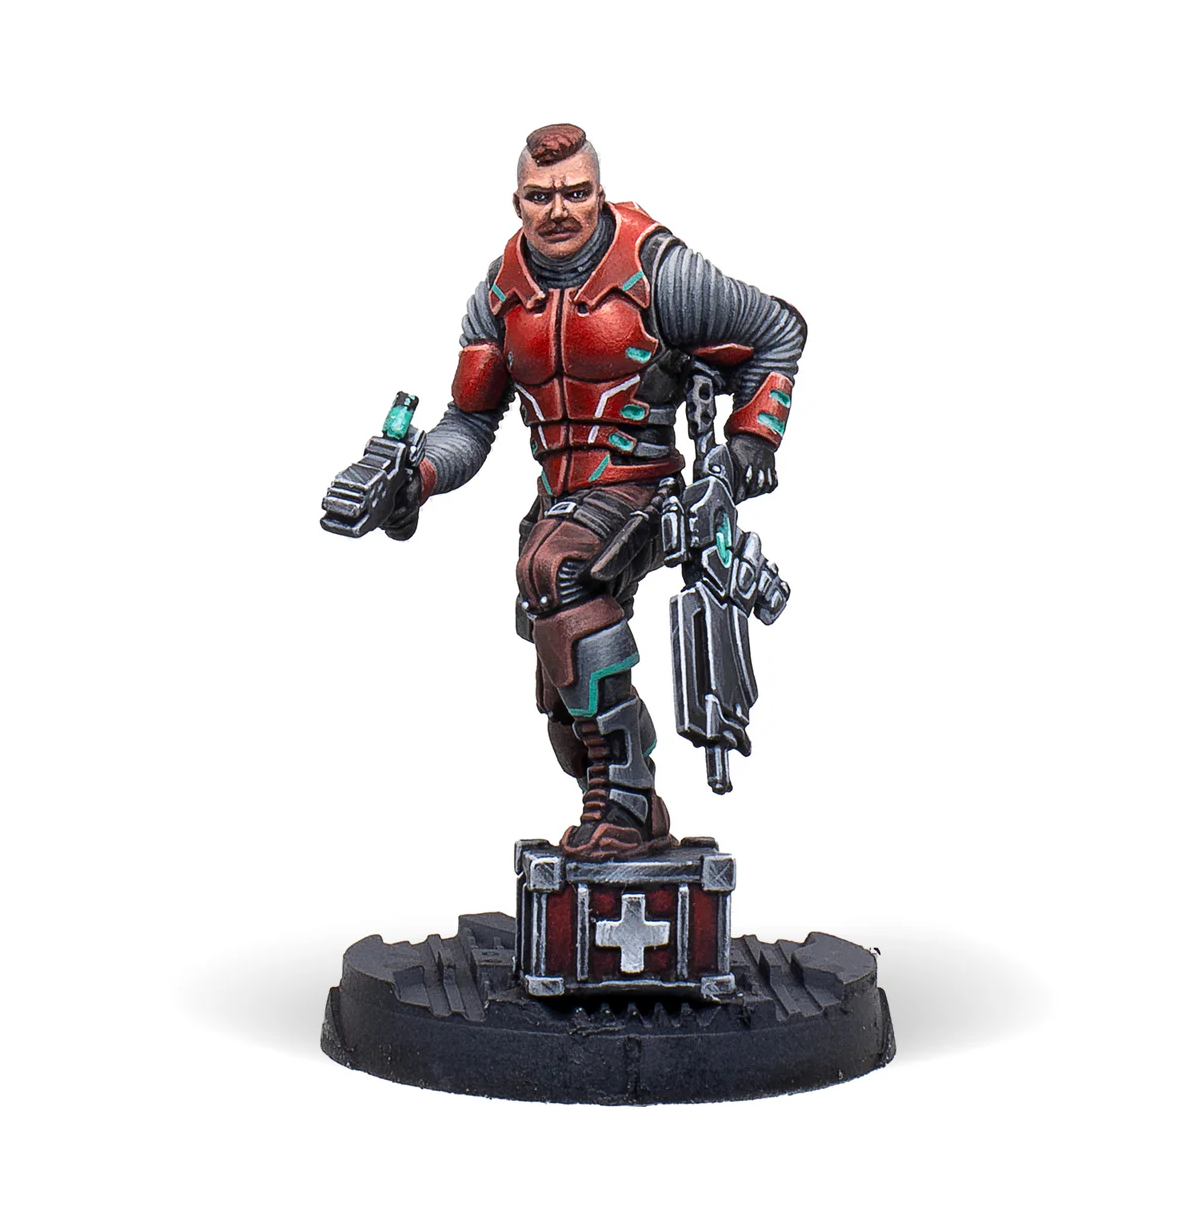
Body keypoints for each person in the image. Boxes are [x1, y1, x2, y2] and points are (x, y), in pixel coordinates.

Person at [389, 124, 806, 858]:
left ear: (600, 194)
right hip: (559, 499)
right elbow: (470, 421)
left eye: (576, 193)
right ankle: (615, 795)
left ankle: (627, 797)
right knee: (558, 680)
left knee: (557, 570)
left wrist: (751, 441)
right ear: (516, 202)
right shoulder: (499, 295)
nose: (559, 211)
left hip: (641, 486)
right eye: (540, 197)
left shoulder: (658, 271)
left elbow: (778, 331)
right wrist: (416, 478)